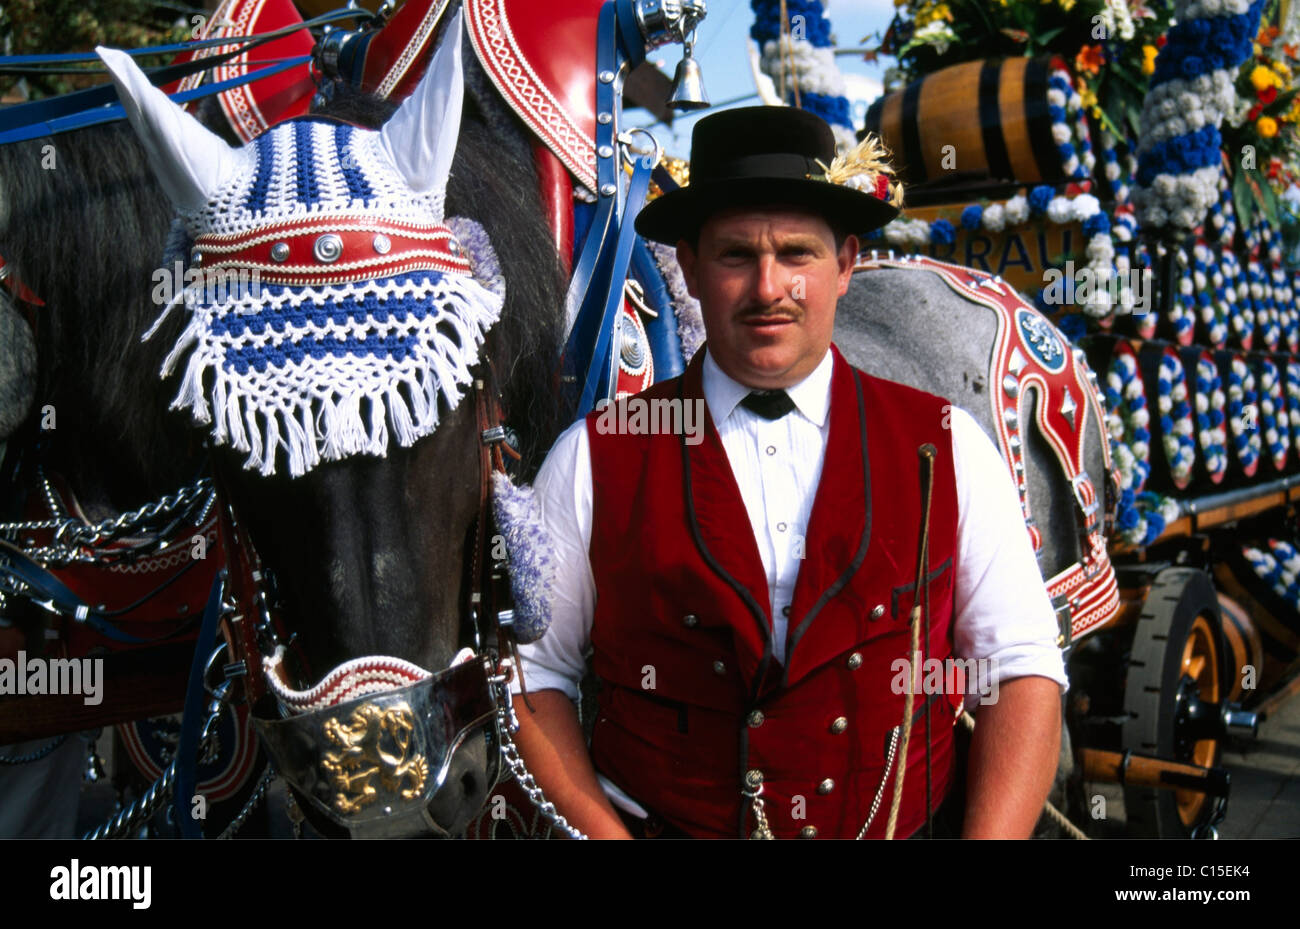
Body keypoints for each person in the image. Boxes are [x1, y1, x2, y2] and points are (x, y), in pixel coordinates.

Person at [511, 106, 1067, 839]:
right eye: (737, 255)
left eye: (797, 254)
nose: (769, 287)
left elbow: (1018, 667)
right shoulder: (592, 458)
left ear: (844, 266)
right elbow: (531, 679)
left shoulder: (949, 446)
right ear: (691, 266)